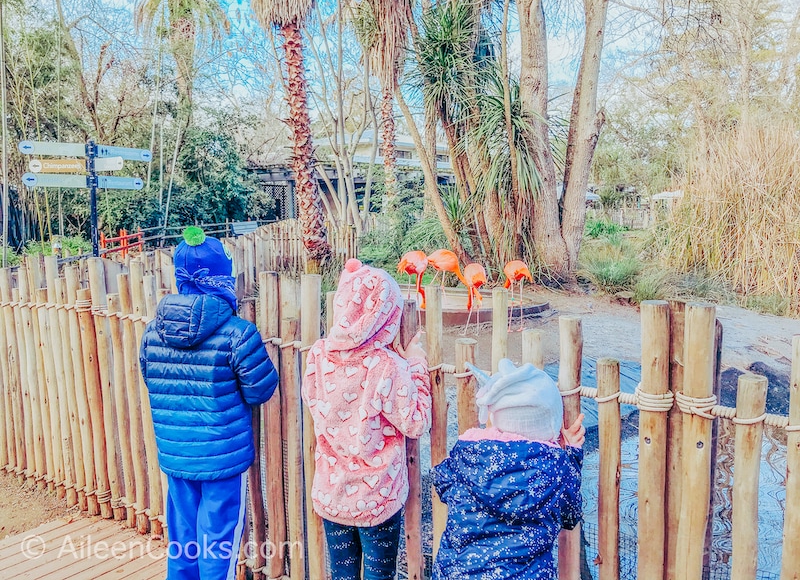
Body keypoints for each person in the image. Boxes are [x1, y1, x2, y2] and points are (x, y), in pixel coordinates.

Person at [139, 226, 278, 580]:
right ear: (222, 277)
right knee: (218, 544)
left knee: (183, 540)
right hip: (221, 460)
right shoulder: (238, 333)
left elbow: (150, 378)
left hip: (176, 455)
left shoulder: (152, 332)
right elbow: (260, 390)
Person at [302, 258, 432, 580]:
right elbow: (416, 420)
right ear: (386, 315)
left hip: (333, 495)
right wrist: (415, 366)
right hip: (377, 500)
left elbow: (316, 403)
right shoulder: (385, 366)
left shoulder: (317, 357)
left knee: (343, 576)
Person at [432, 358, 585, 580]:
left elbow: (441, 481)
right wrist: (570, 455)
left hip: (457, 573)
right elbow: (570, 516)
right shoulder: (557, 469)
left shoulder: (467, 457)